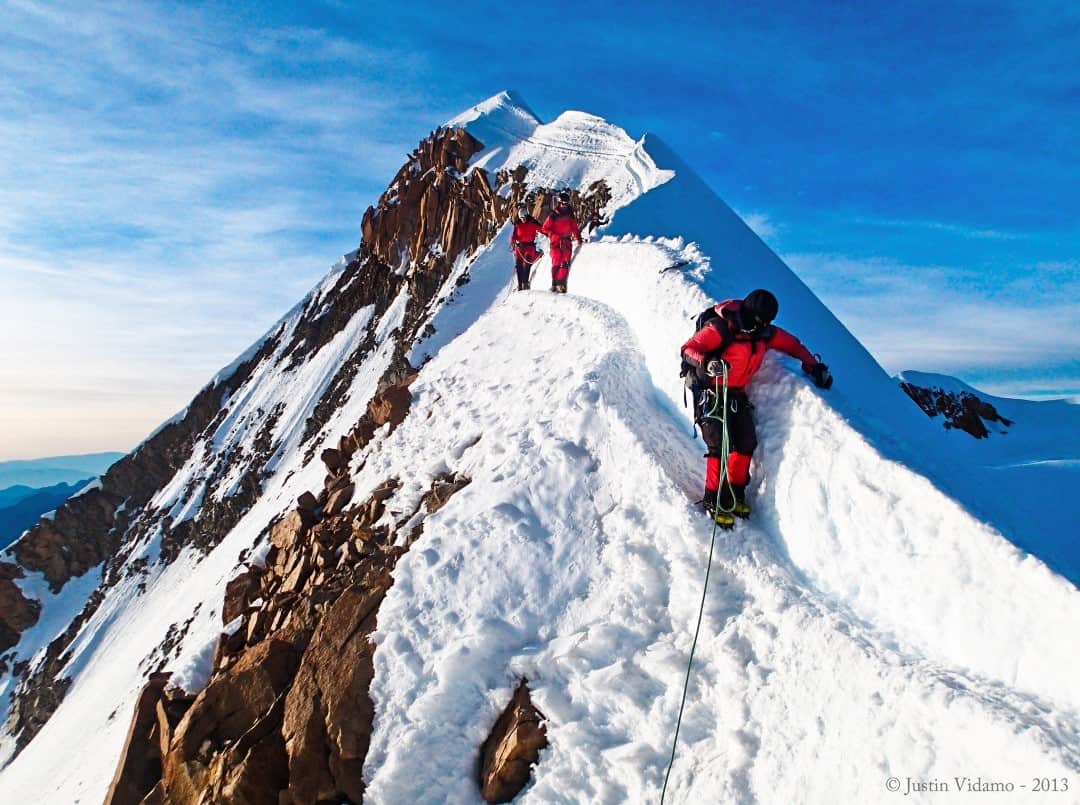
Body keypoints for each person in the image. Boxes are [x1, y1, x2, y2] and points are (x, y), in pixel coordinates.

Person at [680, 289, 833, 528]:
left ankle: (734, 493)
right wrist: (708, 363)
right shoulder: (722, 328)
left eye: (766, 322)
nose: (761, 325)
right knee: (719, 444)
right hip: (710, 392)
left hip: (736, 393)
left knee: (745, 442)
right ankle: (713, 498)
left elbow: (793, 345)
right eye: (759, 320)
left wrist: (813, 366)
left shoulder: (764, 333)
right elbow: (689, 349)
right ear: (749, 313)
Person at [541, 191, 583, 293]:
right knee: (556, 262)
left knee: (565, 263)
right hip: (556, 242)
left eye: (566, 203)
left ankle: (562, 284)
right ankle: (555, 283)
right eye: (563, 203)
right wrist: (553, 235)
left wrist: (579, 239)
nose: (564, 205)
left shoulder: (570, 214)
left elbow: (574, 228)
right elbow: (545, 228)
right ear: (559, 202)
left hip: (567, 242)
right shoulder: (553, 215)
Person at [509, 203, 543, 290]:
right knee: (518, 265)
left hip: (529, 247)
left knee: (527, 263)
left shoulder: (532, 222)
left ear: (526, 215)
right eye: (521, 218)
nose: (522, 220)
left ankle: (525, 283)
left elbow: (543, 229)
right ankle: (520, 284)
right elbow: (514, 235)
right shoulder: (518, 224)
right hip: (519, 247)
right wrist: (512, 241)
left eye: (523, 218)